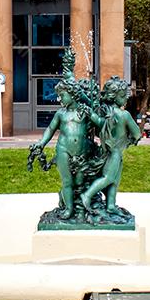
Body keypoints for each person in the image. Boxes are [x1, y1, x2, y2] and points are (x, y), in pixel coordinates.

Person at [30, 81, 92, 219]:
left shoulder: (84, 111)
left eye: (62, 95)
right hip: (63, 149)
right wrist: (41, 143)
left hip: (82, 152)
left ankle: (74, 204)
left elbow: (98, 121)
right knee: (67, 181)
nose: (59, 99)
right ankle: (69, 209)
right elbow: (50, 129)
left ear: (72, 95)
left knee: (80, 181)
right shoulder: (60, 114)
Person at [80, 77, 141, 217]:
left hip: (106, 151)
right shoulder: (124, 115)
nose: (126, 99)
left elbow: (99, 123)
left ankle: (111, 205)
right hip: (115, 153)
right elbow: (137, 133)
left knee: (115, 180)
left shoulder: (105, 114)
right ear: (115, 97)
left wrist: (91, 113)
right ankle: (87, 195)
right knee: (108, 178)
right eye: (123, 96)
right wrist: (131, 139)